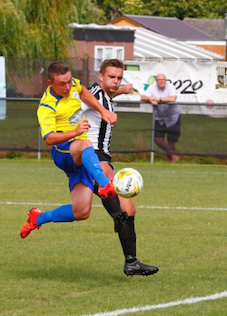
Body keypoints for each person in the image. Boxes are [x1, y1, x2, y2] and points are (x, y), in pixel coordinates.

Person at [20, 61, 119, 240]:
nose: (67, 86)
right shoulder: (47, 106)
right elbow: (49, 138)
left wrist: (102, 110)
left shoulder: (72, 83)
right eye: (62, 84)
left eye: (68, 81)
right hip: (63, 151)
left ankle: (38, 218)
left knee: (82, 211)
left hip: (81, 156)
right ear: (50, 83)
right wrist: (75, 132)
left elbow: (82, 91)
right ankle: (105, 184)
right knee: (85, 144)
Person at [82, 59, 158, 277]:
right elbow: (78, 102)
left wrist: (122, 91)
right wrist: (74, 126)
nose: (115, 81)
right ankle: (116, 215)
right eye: (111, 77)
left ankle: (131, 262)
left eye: (118, 78)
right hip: (91, 153)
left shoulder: (105, 94)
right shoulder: (93, 94)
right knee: (105, 176)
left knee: (129, 209)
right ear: (100, 77)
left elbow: (106, 96)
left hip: (104, 154)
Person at [140, 73, 179, 162]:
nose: (161, 81)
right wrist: (150, 99)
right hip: (160, 117)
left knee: (171, 140)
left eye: (163, 80)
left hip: (172, 117)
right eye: (159, 80)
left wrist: (158, 99)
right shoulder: (152, 87)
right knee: (157, 139)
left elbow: (172, 99)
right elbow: (142, 97)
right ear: (156, 81)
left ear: (166, 80)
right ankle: (173, 155)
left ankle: (170, 160)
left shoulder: (170, 87)